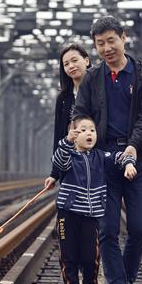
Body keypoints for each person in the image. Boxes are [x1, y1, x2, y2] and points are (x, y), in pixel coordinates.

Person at [73, 15, 142, 284]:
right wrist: (81, 134)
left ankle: (126, 279)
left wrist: (134, 147)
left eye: (111, 40)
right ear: (95, 47)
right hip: (103, 164)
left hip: (138, 161)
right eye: (100, 44)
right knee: (107, 228)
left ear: (124, 37)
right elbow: (81, 112)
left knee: (139, 227)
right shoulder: (92, 78)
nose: (107, 48)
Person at [51, 115, 136, 284]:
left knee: (91, 256)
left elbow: (119, 156)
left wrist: (129, 163)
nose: (89, 133)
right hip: (67, 214)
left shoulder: (101, 157)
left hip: (90, 215)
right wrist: (66, 142)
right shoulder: (69, 156)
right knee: (68, 255)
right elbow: (58, 162)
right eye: (83, 130)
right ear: (74, 134)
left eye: (92, 130)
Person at [43, 44, 91, 192]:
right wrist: (54, 173)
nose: (71, 66)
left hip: (94, 163)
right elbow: (58, 135)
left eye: (75, 60)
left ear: (87, 61)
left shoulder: (99, 92)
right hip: (70, 164)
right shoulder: (63, 99)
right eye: (66, 64)